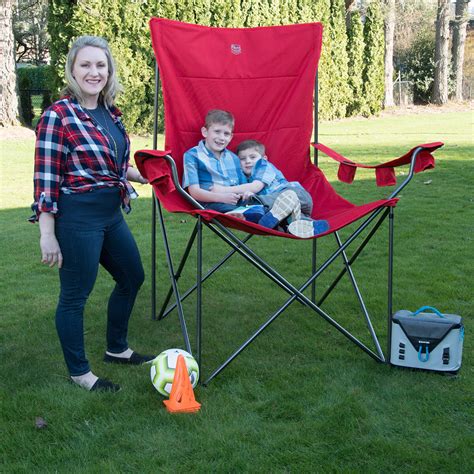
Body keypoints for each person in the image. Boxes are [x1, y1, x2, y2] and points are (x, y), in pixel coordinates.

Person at [30, 36, 153, 393]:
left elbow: (115, 165)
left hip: (111, 215)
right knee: (74, 296)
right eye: (85, 65)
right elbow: (46, 179)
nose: (93, 72)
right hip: (77, 220)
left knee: (132, 276)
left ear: (109, 70)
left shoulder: (110, 112)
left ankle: (116, 348)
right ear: (72, 70)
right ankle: (80, 372)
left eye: (100, 65)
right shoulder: (58, 116)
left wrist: (146, 174)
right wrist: (47, 233)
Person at [213, 139, 330, 238]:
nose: (247, 161)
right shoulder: (244, 178)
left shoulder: (263, 166)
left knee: (270, 202)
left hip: (296, 195)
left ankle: (258, 209)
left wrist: (223, 190)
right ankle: (310, 226)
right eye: (242, 159)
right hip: (290, 210)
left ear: (264, 158)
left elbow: (256, 187)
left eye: (252, 157)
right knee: (288, 220)